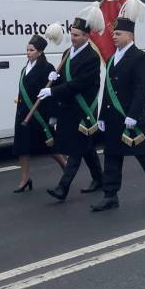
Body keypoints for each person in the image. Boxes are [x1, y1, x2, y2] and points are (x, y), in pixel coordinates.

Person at [91, 10, 145, 212]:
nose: (114, 37)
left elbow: (141, 89)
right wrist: (102, 116)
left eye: (118, 34)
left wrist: (133, 115)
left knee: (144, 155)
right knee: (112, 155)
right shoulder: (111, 59)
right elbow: (107, 89)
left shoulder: (140, 57)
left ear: (130, 35)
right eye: (114, 34)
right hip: (113, 117)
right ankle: (110, 195)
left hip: (131, 118)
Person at [43, 16, 105, 201]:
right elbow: (65, 78)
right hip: (69, 107)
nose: (73, 38)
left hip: (84, 108)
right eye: (72, 34)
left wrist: (53, 91)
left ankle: (63, 188)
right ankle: (99, 179)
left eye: (77, 35)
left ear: (86, 36)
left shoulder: (92, 57)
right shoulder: (67, 53)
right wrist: (55, 78)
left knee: (77, 148)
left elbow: (80, 83)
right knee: (86, 147)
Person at [12, 34, 67, 193]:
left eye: (32, 50)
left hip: (39, 114)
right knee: (22, 147)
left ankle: (66, 167)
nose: (28, 53)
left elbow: (54, 93)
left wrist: (53, 116)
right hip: (23, 114)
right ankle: (25, 178)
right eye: (27, 50)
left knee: (50, 146)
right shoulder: (24, 69)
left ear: (40, 52)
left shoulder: (47, 68)